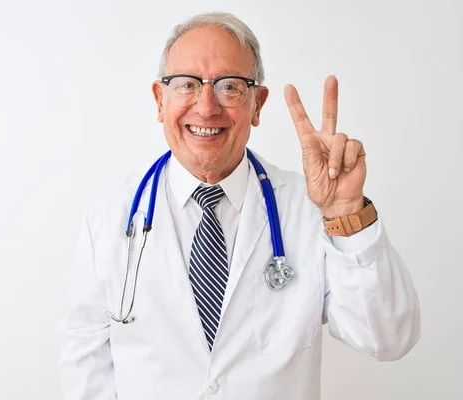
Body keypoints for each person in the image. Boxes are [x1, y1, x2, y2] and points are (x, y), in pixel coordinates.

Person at [58, 11, 420, 400]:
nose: (207, 107)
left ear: (258, 104)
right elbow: (86, 370)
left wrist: (347, 213)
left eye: (230, 87)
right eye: (186, 85)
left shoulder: (311, 210)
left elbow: (388, 338)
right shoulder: (108, 217)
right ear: (159, 100)